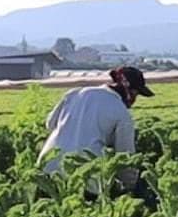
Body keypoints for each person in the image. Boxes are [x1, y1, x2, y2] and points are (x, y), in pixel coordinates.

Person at [37, 65, 154, 194]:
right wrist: (130, 188)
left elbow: (50, 124)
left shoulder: (74, 93)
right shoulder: (122, 113)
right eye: (136, 94)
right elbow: (125, 157)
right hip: (86, 177)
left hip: (48, 169)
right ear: (130, 92)